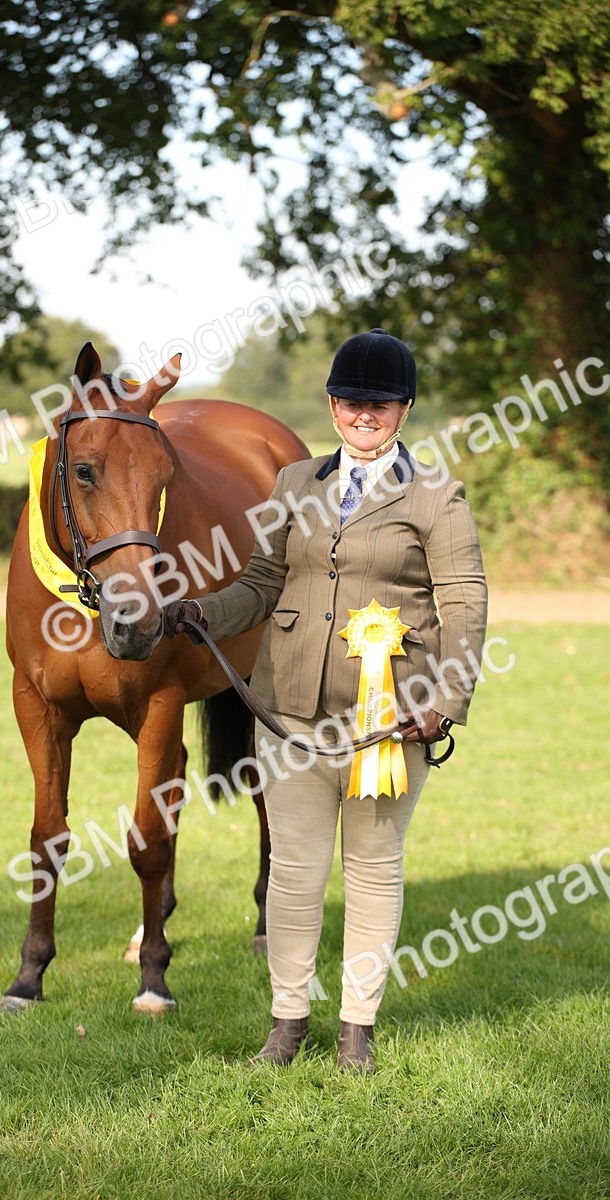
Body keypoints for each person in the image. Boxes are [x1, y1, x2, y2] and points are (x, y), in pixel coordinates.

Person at [163, 327, 488, 1073]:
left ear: (403, 408)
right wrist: (195, 614)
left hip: (389, 719)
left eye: (380, 403)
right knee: (294, 873)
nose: (363, 414)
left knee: (374, 868)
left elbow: (465, 602)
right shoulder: (294, 485)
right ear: (332, 404)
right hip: (290, 717)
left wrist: (445, 701)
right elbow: (257, 586)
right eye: (350, 401)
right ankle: (286, 1023)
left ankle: (356, 1031)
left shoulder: (437, 495)